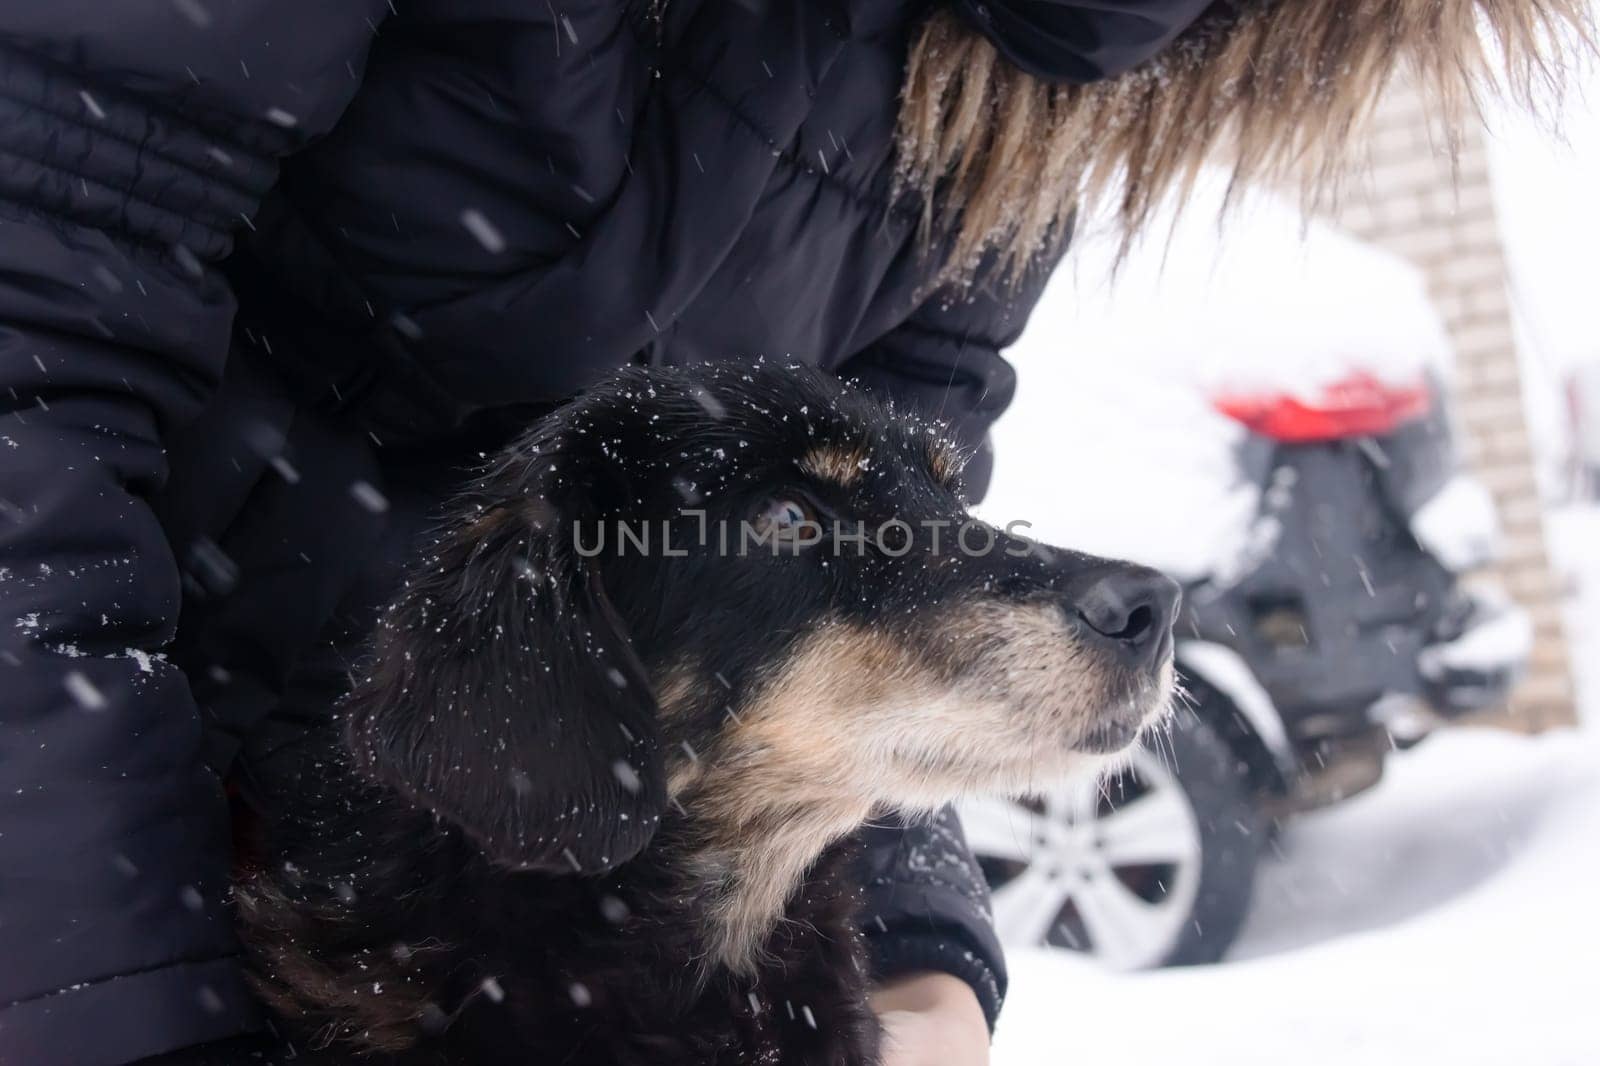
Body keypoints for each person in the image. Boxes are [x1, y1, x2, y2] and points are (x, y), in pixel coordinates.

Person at [0, 1, 1583, 1063]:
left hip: (610, 926)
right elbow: (32, 317)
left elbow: (891, 515)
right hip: (176, 856)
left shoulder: (1051, 65)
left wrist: (913, 946)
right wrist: (113, 995)